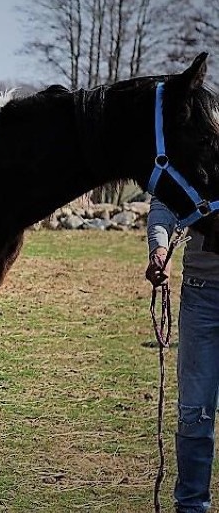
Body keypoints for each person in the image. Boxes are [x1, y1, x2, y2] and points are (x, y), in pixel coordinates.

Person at [146, 196, 219, 513]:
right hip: (202, 293)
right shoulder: (195, 147)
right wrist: (159, 248)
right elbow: (165, 201)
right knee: (194, 411)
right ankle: (190, 506)